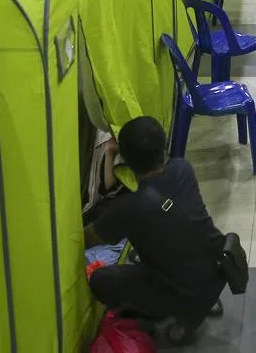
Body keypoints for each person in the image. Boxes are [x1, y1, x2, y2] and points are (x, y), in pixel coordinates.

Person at [85, 116, 227, 329]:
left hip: (184, 294)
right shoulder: (182, 169)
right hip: (215, 274)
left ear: (125, 159)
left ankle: (171, 311)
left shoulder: (128, 208)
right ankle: (196, 299)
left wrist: (110, 154)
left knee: (100, 280)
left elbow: (87, 238)